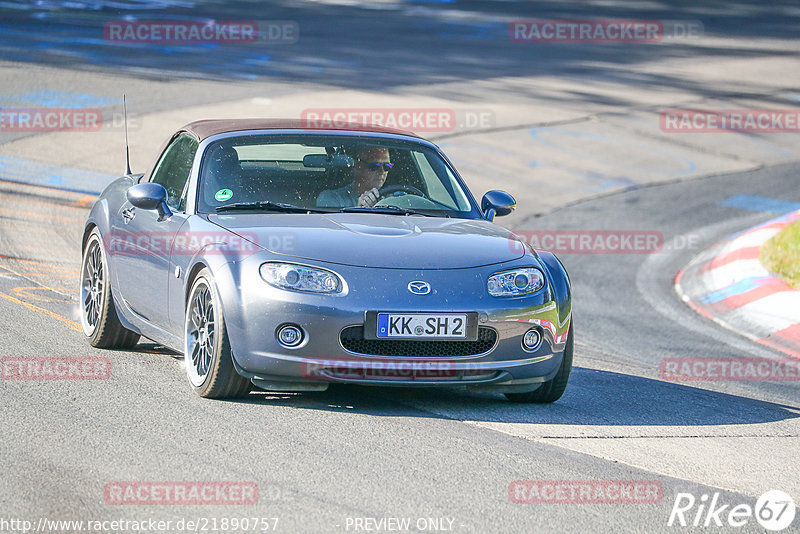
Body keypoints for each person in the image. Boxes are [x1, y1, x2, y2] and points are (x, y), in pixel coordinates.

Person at [316, 146, 392, 208]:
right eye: (375, 166)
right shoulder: (331, 198)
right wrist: (359, 210)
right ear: (357, 167)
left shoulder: (396, 198)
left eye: (387, 166)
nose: (382, 171)